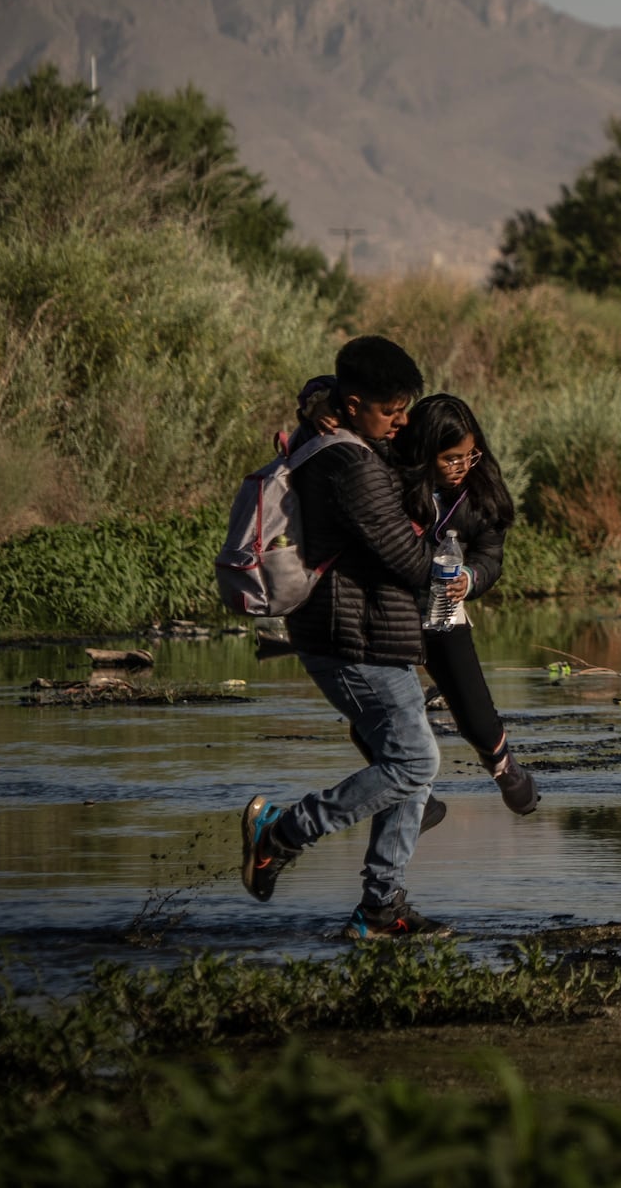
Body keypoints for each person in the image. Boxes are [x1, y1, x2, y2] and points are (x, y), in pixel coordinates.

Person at [240, 335, 450, 938]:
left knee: (408, 764)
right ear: (354, 404)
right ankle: (282, 831)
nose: (402, 422)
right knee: (413, 762)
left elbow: (322, 395)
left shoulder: (338, 434)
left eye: (405, 409)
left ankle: (381, 909)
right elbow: (409, 563)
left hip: (369, 634)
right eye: (391, 412)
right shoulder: (351, 464)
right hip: (348, 638)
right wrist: (445, 551)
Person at [394, 393, 540, 815]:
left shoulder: (482, 490)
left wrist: (470, 579)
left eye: (469, 456)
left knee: (474, 711)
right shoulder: (389, 479)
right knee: (384, 716)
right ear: (424, 454)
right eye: (449, 458)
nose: (461, 466)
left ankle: (504, 768)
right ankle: (416, 802)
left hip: (444, 605)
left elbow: (490, 556)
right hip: (390, 607)